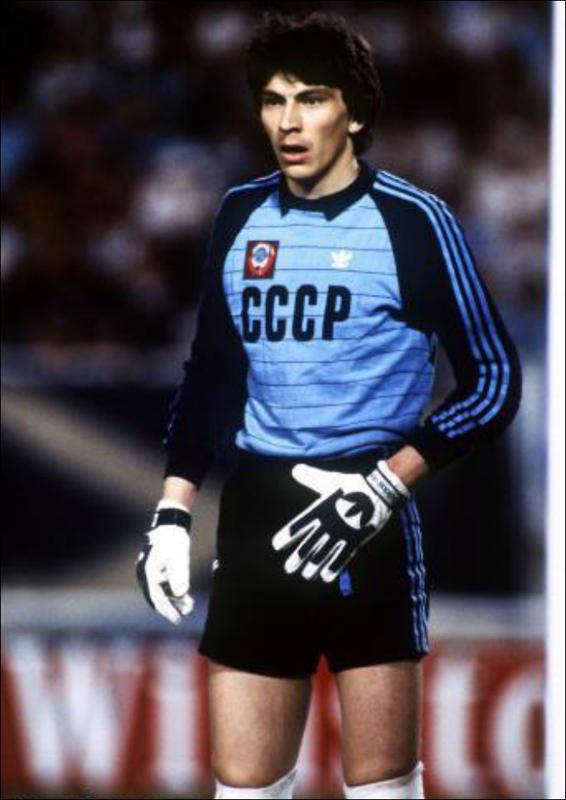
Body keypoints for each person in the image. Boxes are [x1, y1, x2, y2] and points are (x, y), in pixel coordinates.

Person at [136, 12, 521, 800]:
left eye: (311, 98)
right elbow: (211, 375)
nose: (289, 121)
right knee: (244, 792)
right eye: (273, 101)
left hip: (370, 512)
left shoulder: (414, 222)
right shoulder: (240, 214)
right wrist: (172, 513)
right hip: (256, 513)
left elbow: (494, 380)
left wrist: (386, 485)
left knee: (383, 790)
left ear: (355, 111)